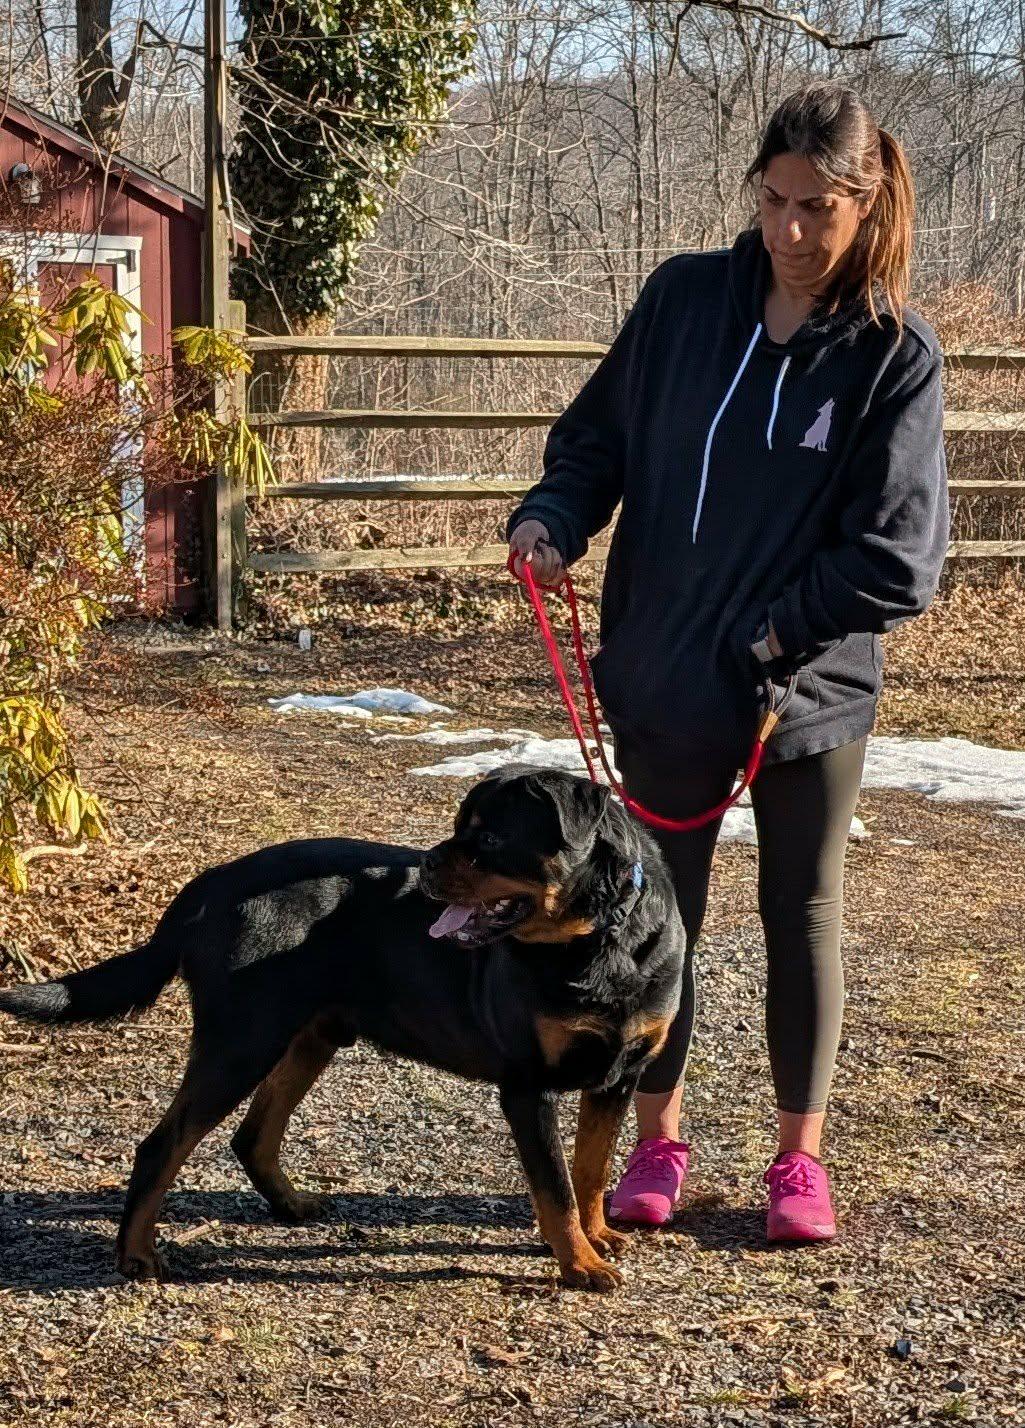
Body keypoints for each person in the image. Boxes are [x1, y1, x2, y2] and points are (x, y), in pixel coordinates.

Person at [507, 83, 949, 1243]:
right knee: (655, 918)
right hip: (659, 673)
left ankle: (797, 1161)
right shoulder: (680, 301)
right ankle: (657, 1137)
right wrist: (552, 516)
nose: (791, 234)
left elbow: (897, 558)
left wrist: (771, 636)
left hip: (799, 693)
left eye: (818, 210)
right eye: (773, 202)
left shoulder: (890, 356)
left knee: (802, 910)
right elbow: (594, 436)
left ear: (865, 205)